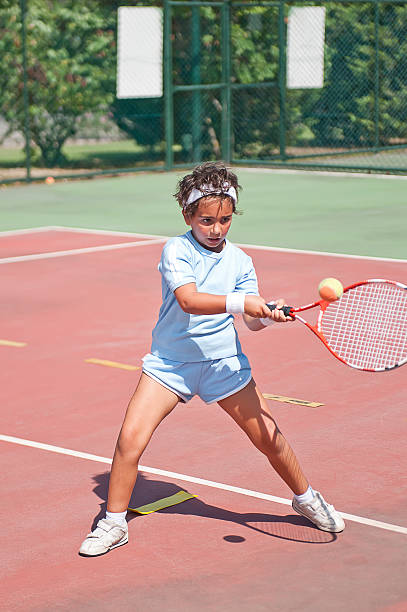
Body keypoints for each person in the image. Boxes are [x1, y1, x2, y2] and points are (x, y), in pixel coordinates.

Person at [79, 162, 345, 557]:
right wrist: (244, 302)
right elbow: (189, 300)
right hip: (170, 365)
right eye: (206, 220)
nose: (216, 228)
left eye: (224, 219)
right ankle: (114, 522)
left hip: (224, 365)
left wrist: (267, 314)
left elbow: (249, 324)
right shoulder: (177, 249)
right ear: (187, 215)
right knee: (129, 441)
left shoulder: (240, 261)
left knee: (270, 440)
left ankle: (306, 498)